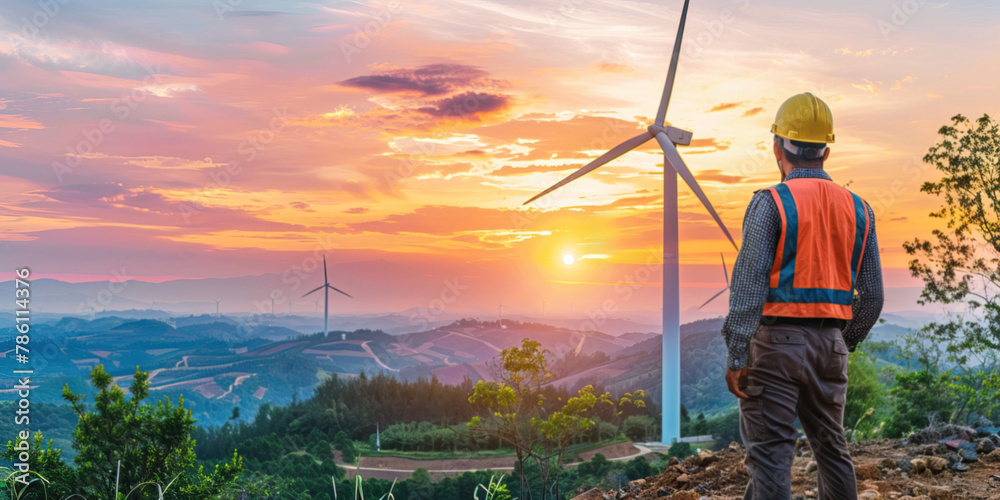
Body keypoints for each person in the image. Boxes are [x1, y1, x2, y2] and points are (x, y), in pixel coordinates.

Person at [721, 92, 884, 500]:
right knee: (832, 448)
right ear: (826, 150)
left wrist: (738, 354)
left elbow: (747, 285)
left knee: (771, 456)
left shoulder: (771, 202)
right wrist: (840, 344)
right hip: (830, 345)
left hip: (775, 347)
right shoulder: (860, 209)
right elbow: (874, 296)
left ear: (778, 147)